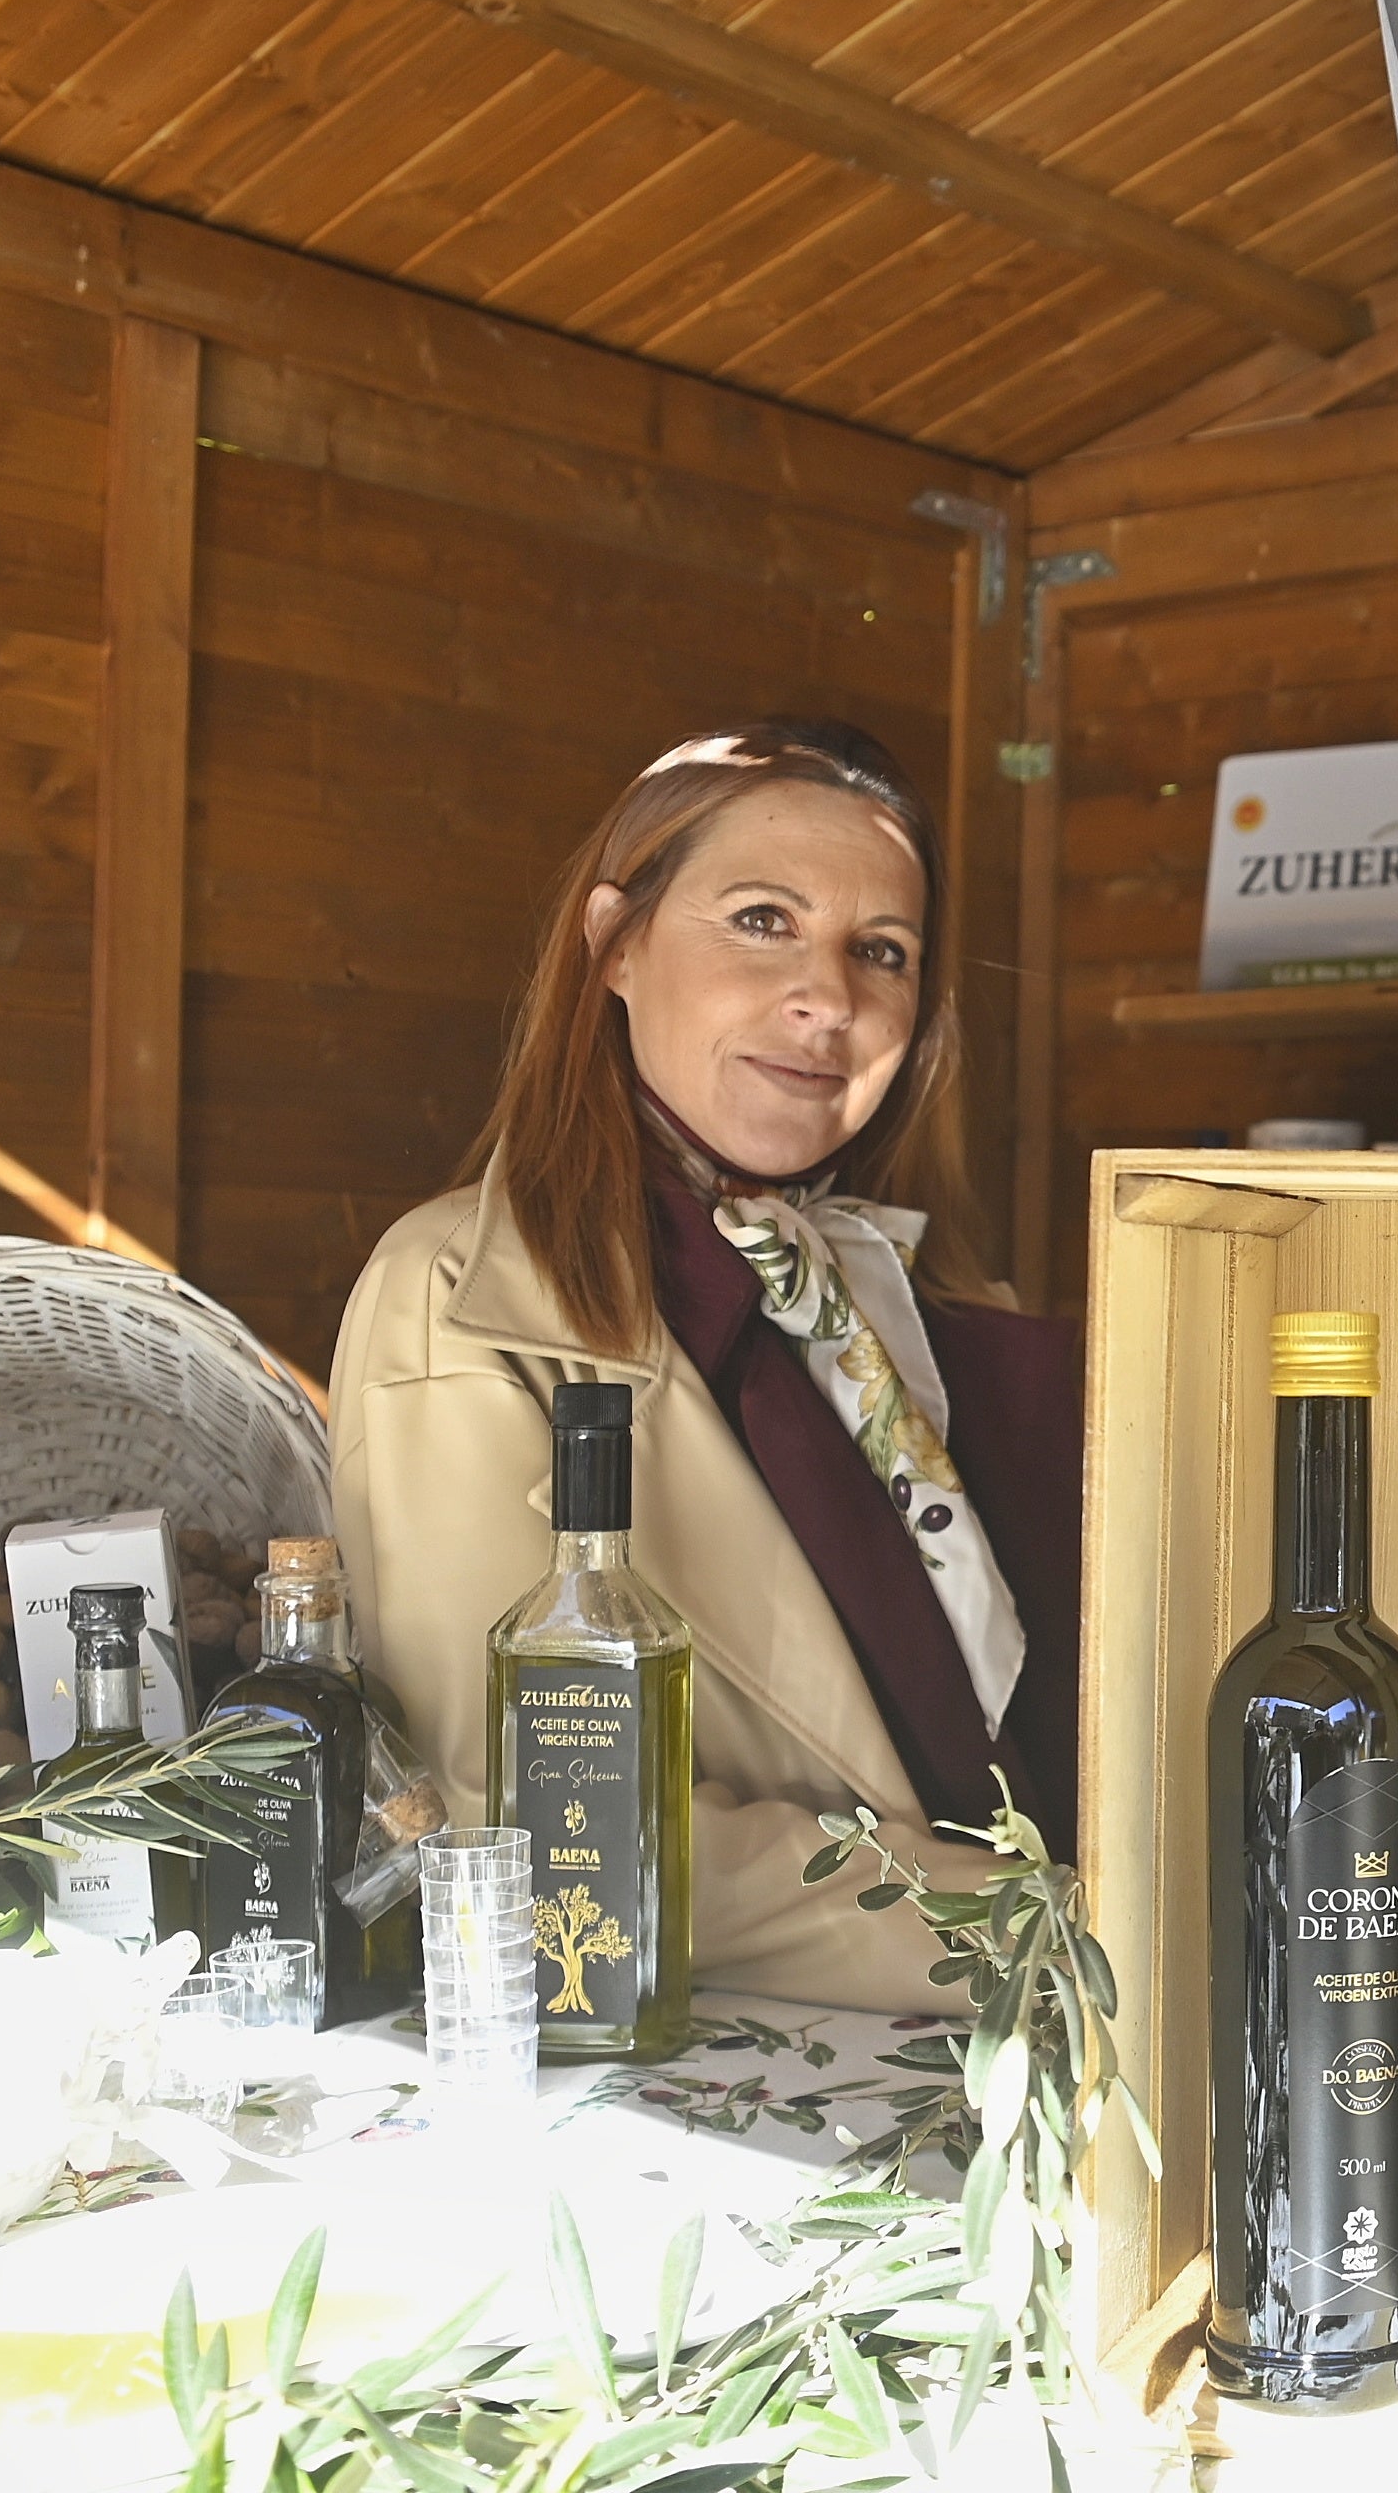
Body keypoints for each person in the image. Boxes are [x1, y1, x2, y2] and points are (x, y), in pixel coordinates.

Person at [331, 722, 1080, 2015]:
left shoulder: (917, 1313)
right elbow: (525, 1816)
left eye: (880, 953)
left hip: (1085, 2048)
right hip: (766, 2063)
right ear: (613, 943)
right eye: (761, 920)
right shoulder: (451, 1304)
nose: (830, 999)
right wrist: (1062, 1934)